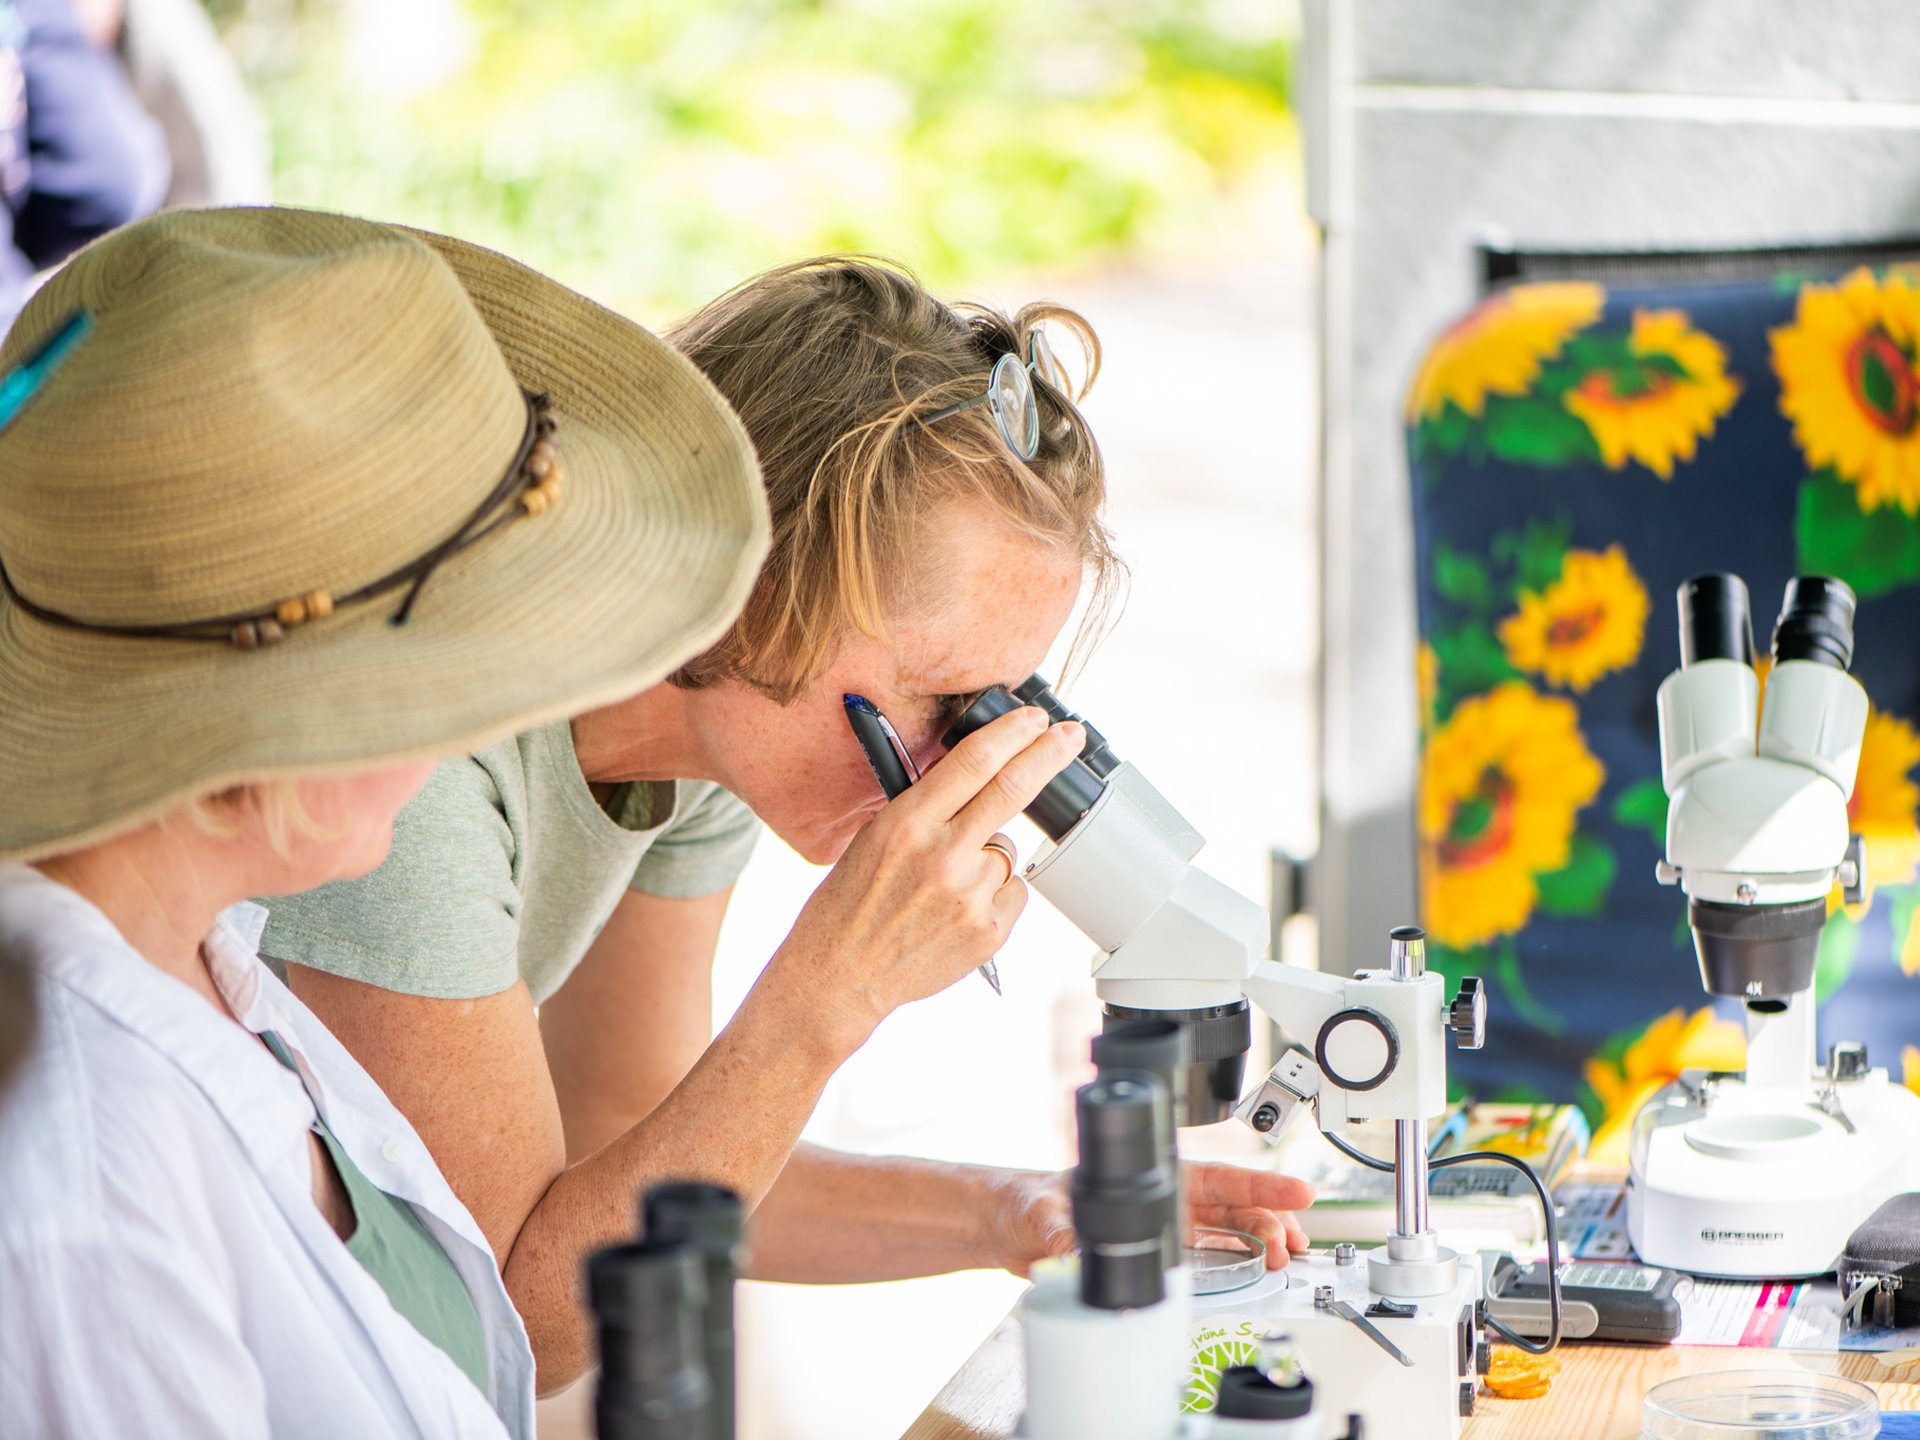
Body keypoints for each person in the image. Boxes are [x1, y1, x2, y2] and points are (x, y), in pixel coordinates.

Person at [262, 256, 1316, 1388]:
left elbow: (656, 1167)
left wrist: (1018, 1209)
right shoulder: (423, 762)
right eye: (944, 702)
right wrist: (828, 996)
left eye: (1009, 705)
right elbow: (525, 1320)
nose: (967, 762)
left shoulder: (714, 731)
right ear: (760, 579)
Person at [0, 204, 785, 1436]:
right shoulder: (90, 1153)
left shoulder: (204, 959)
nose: (488, 717)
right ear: (283, 722)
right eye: (457, 672)